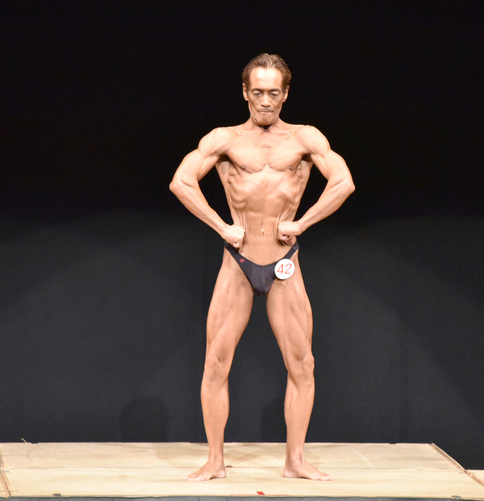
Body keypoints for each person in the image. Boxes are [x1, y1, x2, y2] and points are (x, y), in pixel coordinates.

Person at [169, 53, 354, 482]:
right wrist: (221, 226)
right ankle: (215, 461)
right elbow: (181, 181)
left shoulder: (305, 138)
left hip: (284, 261)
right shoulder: (225, 139)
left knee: (302, 364)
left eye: (273, 92)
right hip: (237, 261)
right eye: (257, 92)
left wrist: (302, 223)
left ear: (285, 94)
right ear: (244, 92)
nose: (265, 101)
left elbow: (343, 182)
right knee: (216, 362)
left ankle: (295, 461)